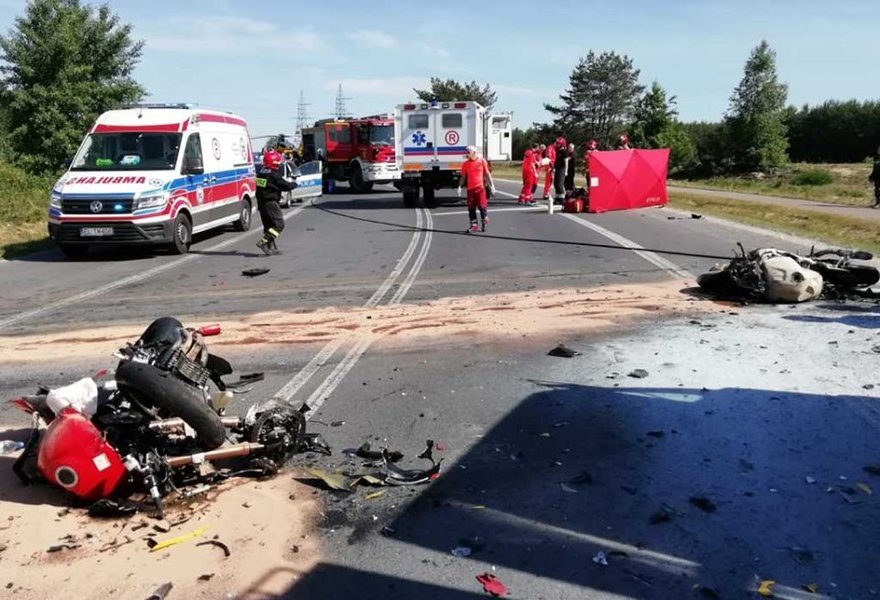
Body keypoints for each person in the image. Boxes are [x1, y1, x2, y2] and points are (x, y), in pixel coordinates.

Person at [255, 150, 297, 255]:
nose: (278, 165)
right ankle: (264, 242)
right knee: (279, 225)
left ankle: (271, 248)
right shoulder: (273, 176)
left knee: (268, 226)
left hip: (262, 204)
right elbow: (286, 186)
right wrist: (294, 184)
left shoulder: (261, 174)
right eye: (277, 163)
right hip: (270, 203)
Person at [458, 145, 496, 232]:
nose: (467, 154)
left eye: (468, 152)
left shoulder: (482, 161)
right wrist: (459, 186)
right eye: (466, 152)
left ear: (474, 153)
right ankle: (474, 225)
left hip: (480, 188)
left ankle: (484, 221)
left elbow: (487, 174)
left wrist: (492, 185)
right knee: (471, 208)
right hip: (470, 190)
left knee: (482, 206)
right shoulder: (465, 164)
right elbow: (463, 177)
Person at [553, 136, 568, 203]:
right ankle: (557, 197)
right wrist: (553, 168)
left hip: (562, 169)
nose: (557, 145)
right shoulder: (558, 151)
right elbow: (556, 161)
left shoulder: (564, 152)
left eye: (558, 143)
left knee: (560, 184)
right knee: (555, 183)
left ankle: (562, 198)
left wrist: (566, 171)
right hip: (557, 169)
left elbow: (566, 161)